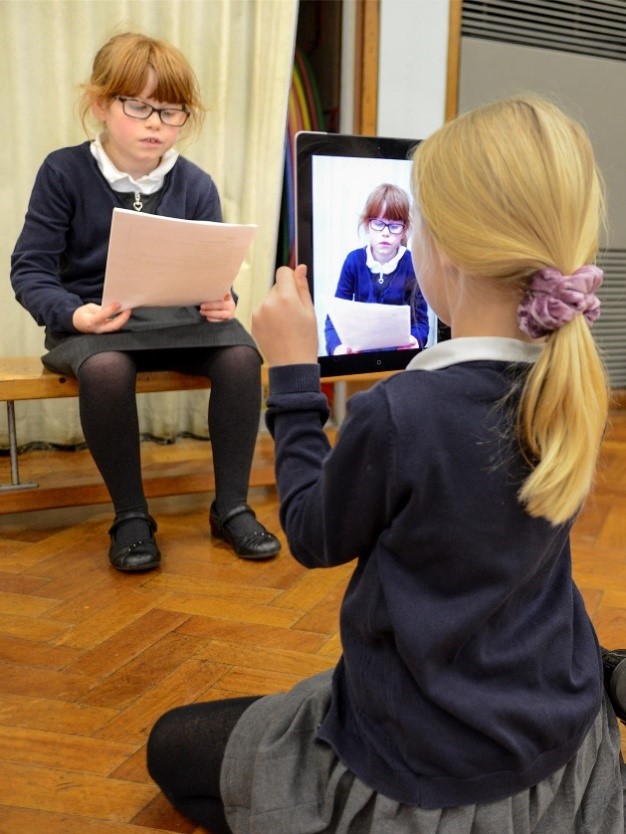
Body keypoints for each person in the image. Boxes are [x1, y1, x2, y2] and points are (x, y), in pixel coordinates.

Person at [146, 96, 626, 833]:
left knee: (171, 745)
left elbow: (312, 534)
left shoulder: (405, 414)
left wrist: (294, 376)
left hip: (427, 760)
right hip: (558, 726)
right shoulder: (576, 382)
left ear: (444, 252)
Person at [10, 32, 281, 571]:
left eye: (172, 111)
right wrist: (75, 313)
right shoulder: (63, 172)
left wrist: (222, 299)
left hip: (180, 322)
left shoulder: (195, 184)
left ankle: (231, 506)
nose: (156, 123)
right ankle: (131, 517)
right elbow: (30, 270)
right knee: (107, 369)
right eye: (138, 106)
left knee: (241, 356)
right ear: (100, 104)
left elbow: (212, 267)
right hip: (95, 327)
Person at [324, 182, 429, 355]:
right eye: (378, 223)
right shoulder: (353, 261)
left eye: (394, 226)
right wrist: (338, 348)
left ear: (404, 230)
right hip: (359, 357)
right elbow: (334, 318)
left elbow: (421, 322)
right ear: (367, 225)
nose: (385, 232)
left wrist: (415, 340)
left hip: (398, 358)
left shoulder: (412, 264)